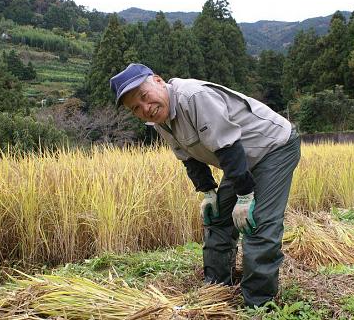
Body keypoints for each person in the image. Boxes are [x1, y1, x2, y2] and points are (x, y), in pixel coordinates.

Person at [110, 63, 301, 307]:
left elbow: (228, 147)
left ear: (158, 81)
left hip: (274, 147)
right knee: (218, 217)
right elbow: (188, 157)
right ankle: (217, 287)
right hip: (240, 160)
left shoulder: (194, 97)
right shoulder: (160, 120)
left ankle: (258, 303)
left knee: (257, 222)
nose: (146, 109)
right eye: (136, 108)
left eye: (145, 97)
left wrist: (245, 196)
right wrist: (208, 190)